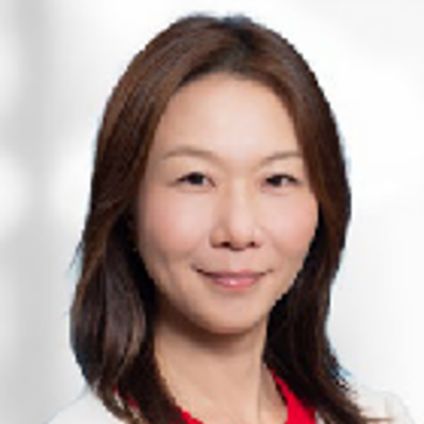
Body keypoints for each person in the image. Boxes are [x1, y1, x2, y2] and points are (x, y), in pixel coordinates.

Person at [48, 13, 414, 424]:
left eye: (277, 179)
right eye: (195, 179)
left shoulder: (381, 418)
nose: (239, 230)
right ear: (128, 205)